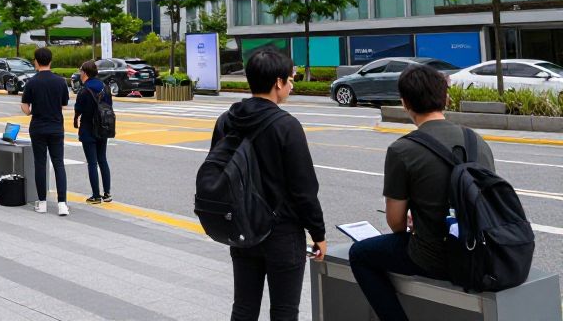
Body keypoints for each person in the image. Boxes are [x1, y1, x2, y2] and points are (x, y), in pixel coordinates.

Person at [349, 64, 495, 321]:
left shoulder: (402, 149)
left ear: (405, 103)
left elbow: (395, 224)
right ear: (446, 98)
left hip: (434, 258)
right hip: (481, 253)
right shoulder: (476, 141)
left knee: (359, 254)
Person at [211, 47, 326, 321]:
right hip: (282, 233)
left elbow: (218, 173)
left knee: (243, 309)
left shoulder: (227, 121)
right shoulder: (286, 125)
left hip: (241, 228)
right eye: (291, 78)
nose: (292, 84)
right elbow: (304, 190)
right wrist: (318, 233)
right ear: (278, 82)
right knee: (285, 312)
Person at [21, 47, 70, 216]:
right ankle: (62, 204)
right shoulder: (60, 81)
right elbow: (64, 104)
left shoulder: (31, 82)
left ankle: (42, 202)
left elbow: (25, 107)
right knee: (58, 164)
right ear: (50, 61)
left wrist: (31, 111)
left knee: (40, 164)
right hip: (56, 127)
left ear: (36, 61)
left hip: (38, 128)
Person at [73, 59, 112, 204]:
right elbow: (109, 106)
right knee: (103, 160)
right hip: (103, 127)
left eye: (80, 71)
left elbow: (78, 109)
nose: (80, 74)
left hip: (88, 128)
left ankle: (95, 195)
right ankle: (107, 194)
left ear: (85, 73)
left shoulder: (84, 90)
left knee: (92, 163)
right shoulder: (104, 86)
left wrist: (76, 119)